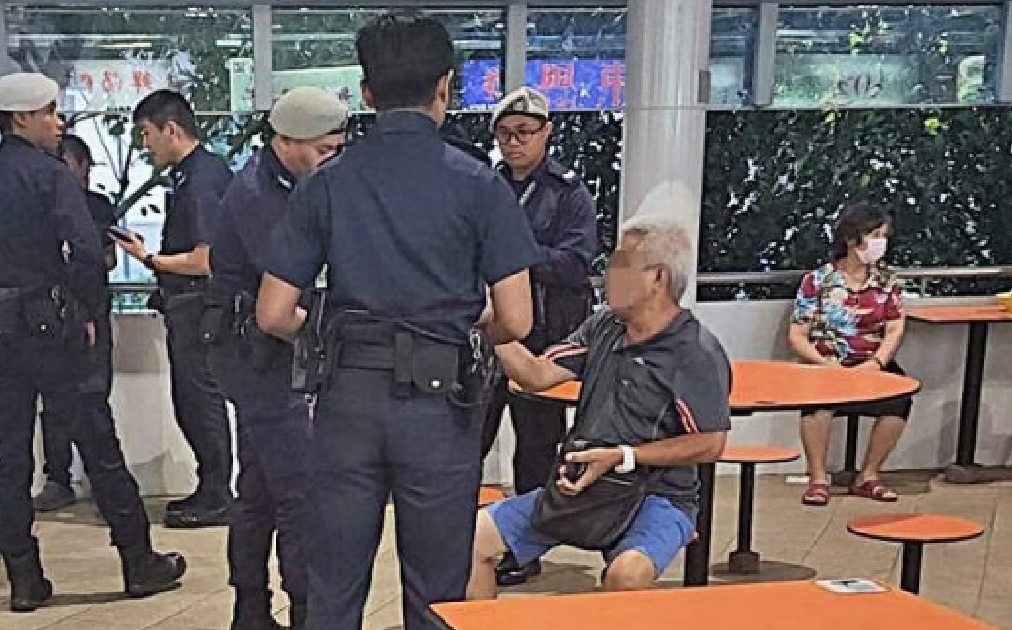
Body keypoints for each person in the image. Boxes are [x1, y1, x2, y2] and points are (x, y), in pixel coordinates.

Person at [256, 12, 540, 630]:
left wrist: (332, 334)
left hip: (348, 401)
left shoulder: (326, 184)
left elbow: (274, 312)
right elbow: (516, 319)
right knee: (437, 591)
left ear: (365, 93)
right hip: (439, 405)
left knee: (333, 585)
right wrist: (463, 327)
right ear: (444, 87)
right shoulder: (480, 186)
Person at [0, 72, 186, 612]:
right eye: (49, 112)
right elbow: (89, 252)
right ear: (21, 118)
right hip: (54, 331)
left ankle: (23, 578)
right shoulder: (50, 178)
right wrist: (83, 305)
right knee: (99, 445)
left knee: (10, 458)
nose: (57, 121)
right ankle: (139, 561)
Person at [467, 213, 731, 599]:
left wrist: (624, 457)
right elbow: (537, 375)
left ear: (657, 278)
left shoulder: (695, 352)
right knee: (470, 542)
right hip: (583, 486)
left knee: (626, 576)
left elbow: (710, 444)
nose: (608, 274)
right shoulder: (604, 325)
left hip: (659, 497)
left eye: (620, 264)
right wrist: (490, 322)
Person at [211, 86, 348, 630]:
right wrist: (328, 342)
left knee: (259, 493)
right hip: (262, 359)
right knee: (299, 496)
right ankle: (305, 613)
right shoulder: (257, 195)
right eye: (323, 150)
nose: (332, 160)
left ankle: (249, 610)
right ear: (287, 140)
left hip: (264, 357)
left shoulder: (291, 183)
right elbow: (280, 300)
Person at [478, 86, 598, 586]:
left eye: (524, 133)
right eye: (504, 134)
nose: (513, 144)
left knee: (536, 448)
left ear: (546, 133)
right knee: (468, 439)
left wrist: (516, 257)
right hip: (488, 334)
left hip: (546, 339)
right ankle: (465, 537)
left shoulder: (568, 192)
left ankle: (524, 549)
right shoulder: (484, 186)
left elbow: (576, 262)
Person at [116, 90, 235, 528]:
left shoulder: (201, 179)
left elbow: (206, 258)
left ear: (171, 129)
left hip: (199, 304)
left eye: (147, 134)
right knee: (192, 398)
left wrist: (149, 259)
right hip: (189, 305)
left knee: (199, 398)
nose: (145, 145)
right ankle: (213, 487)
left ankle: (218, 492)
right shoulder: (193, 175)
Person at [788, 201, 911, 506]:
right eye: (874, 235)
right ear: (851, 238)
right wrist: (824, 364)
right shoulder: (818, 281)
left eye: (884, 236)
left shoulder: (887, 282)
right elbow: (797, 335)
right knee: (817, 403)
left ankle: (869, 476)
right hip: (826, 363)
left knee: (900, 399)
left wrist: (878, 362)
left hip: (872, 362)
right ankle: (817, 478)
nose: (880, 243)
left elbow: (895, 328)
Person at [32, 134, 119, 512]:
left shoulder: (98, 207)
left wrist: (84, 259)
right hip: (50, 314)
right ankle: (58, 477)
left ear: (82, 166)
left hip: (92, 310)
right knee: (51, 401)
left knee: (94, 396)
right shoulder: (39, 207)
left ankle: (104, 481)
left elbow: (110, 258)